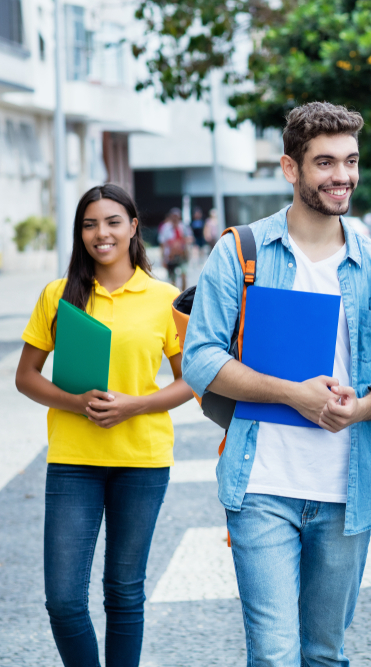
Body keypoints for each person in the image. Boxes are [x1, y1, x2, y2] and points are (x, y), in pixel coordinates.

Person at [182, 102, 371, 667]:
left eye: (352, 161)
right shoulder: (242, 252)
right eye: (325, 162)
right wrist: (292, 393)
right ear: (291, 169)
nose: (343, 176)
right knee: (273, 653)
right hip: (261, 482)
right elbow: (201, 360)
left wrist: (361, 407)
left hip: (345, 490)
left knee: (323, 653)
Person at [14, 184, 192, 667]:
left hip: (142, 461)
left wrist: (134, 405)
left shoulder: (166, 299)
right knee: (65, 601)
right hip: (74, 460)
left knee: (124, 593)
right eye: (90, 224)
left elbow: (191, 381)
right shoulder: (58, 294)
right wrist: (74, 401)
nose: (101, 233)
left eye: (112, 221)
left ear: (134, 227)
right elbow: (25, 377)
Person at [158, 208, 189, 289]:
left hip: (181, 255)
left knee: (184, 275)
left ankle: (183, 293)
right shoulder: (165, 228)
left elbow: (188, 240)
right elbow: (162, 243)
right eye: (173, 217)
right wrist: (163, 258)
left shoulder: (183, 227)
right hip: (171, 257)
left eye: (177, 217)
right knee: (172, 278)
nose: (175, 219)